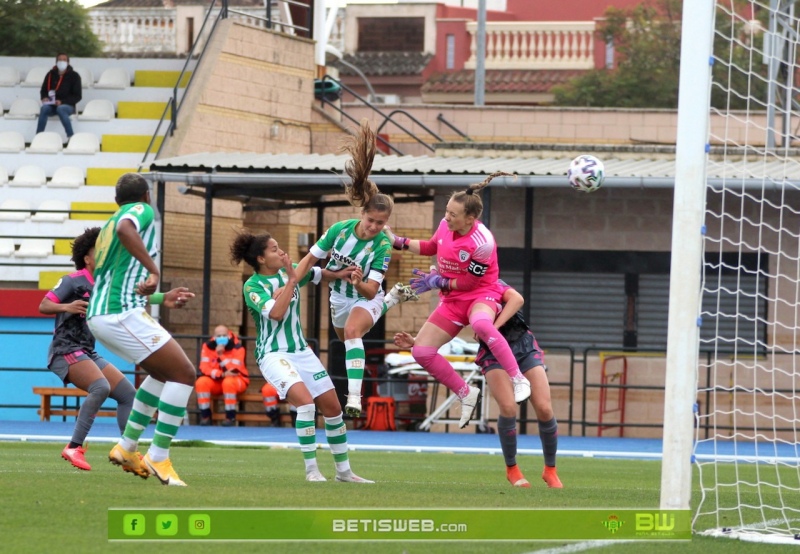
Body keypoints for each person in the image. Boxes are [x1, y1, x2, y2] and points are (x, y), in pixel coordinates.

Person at [386, 173, 532, 428]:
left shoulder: (482, 242)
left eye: (453, 214)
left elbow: (470, 283)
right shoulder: (445, 225)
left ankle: (518, 378)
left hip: (480, 294)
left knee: (482, 326)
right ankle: (466, 393)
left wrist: (438, 281)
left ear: (470, 218)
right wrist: (400, 242)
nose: (447, 217)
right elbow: (432, 246)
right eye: (446, 211)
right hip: (452, 299)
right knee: (421, 351)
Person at [296, 118, 417, 418]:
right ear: (362, 213)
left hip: (365, 296)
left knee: (353, 330)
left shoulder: (382, 247)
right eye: (371, 220)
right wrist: (290, 284)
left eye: (381, 223)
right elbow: (310, 259)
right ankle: (393, 302)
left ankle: (353, 398)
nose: (375, 227)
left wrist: (358, 281)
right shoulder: (339, 230)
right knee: (344, 337)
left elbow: (370, 289)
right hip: (338, 298)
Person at [232, 229, 373, 483]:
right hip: (273, 354)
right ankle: (312, 471)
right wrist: (291, 281)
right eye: (274, 249)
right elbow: (276, 313)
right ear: (261, 259)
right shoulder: (252, 286)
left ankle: (344, 473)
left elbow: (319, 274)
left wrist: (340, 274)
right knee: (306, 404)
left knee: (332, 408)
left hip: (301, 351)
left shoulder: (292, 270)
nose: (281, 251)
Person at [87, 173, 197, 487]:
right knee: (185, 374)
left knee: (164, 373)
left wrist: (162, 297)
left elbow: (120, 279)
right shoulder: (139, 211)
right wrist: (153, 268)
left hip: (107, 313)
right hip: (119, 314)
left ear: (115, 200)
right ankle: (158, 455)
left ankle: (127, 446)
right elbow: (128, 228)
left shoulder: (108, 225)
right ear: (146, 196)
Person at [396, 282, 562, 488]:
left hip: (522, 344)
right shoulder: (455, 293)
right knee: (508, 407)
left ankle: (550, 469)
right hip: (492, 352)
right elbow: (444, 325)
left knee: (545, 408)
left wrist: (494, 326)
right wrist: (417, 342)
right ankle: (512, 469)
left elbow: (517, 299)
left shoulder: (489, 283)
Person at [39, 227, 135, 471]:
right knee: (100, 386)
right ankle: (74, 447)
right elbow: (44, 305)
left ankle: (127, 452)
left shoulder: (106, 285)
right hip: (65, 349)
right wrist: (67, 307)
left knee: (127, 394)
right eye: (99, 251)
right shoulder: (73, 280)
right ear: (87, 258)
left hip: (87, 351)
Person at [196, 325, 249, 426]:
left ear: (229, 335)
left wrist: (221, 355)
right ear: (214, 337)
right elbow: (204, 367)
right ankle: (205, 416)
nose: (221, 338)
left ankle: (230, 417)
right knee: (201, 382)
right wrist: (221, 374)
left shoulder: (238, 348)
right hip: (217, 380)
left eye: (224, 335)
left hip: (238, 380)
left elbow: (233, 371)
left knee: (228, 382)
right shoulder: (207, 346)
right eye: (219, 336)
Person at [37, 53, 81, 139]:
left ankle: (70, 136)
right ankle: (38, 136)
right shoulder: (50, 75)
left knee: (61, 108)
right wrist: (44, 97)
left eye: (64, 60)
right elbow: (43, 90)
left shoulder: (74, 76)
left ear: (68, 62)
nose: (62, 62)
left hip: (68, 105)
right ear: (56, 62)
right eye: (59, 60)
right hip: (52, 104)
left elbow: (77, 96)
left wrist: (62, 102)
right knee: (44, 108)